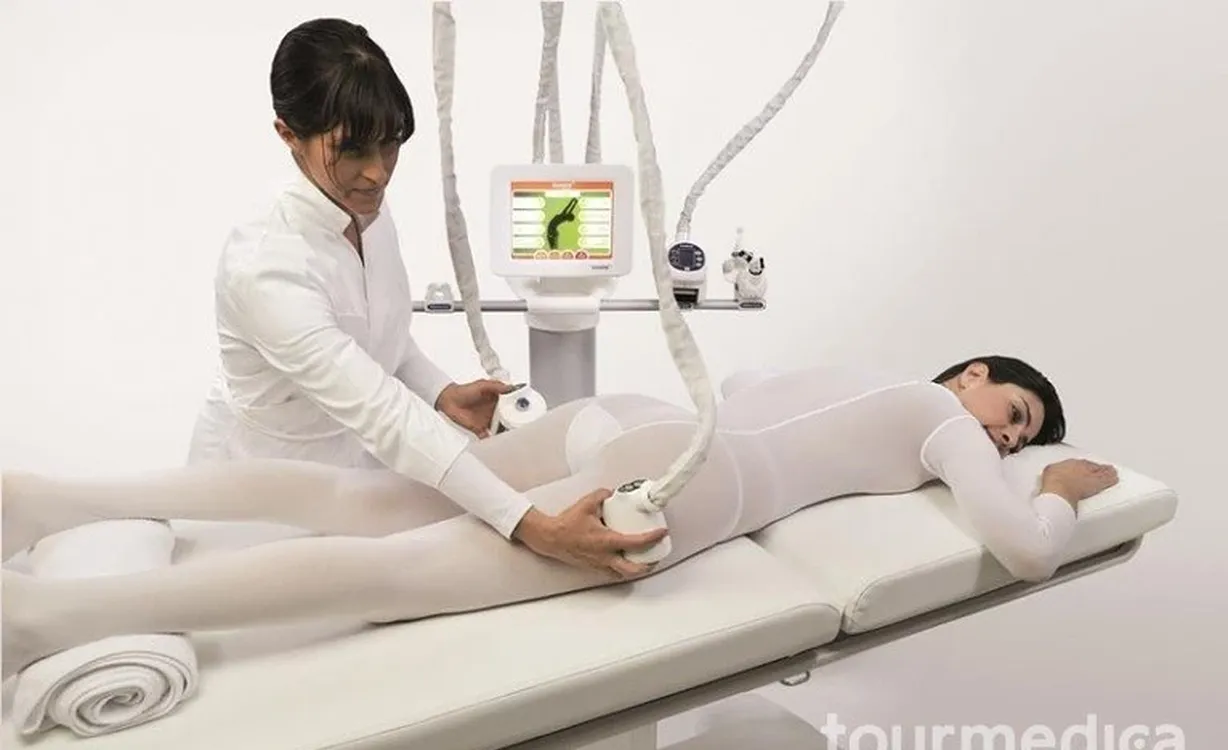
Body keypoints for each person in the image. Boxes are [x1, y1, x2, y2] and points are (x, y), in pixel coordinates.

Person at [2, 356, 1120, 676]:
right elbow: (1025, 552)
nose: (1007, 442)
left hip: (625, 418)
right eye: (1015, 416)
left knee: (359, 499)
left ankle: (45, 499)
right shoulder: (941, 418)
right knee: (389, 573)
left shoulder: (849, 370)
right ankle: (45, 621)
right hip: (686, 484)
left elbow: (739, 390)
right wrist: (1056, 493)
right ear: (971, 376)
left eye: (1021, 441)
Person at [184, 18, 651, 569]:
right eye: (352, 149)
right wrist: (533, 526)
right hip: (257, 503)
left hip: (351, 475)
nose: (377, 172)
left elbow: (378, 333)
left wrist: (440, 392)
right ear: (288, 134)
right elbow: (383, 413)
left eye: (389, 144)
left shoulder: (363, 211)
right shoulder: (266, 269)